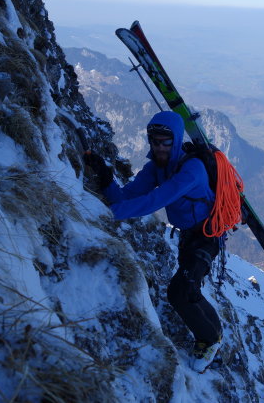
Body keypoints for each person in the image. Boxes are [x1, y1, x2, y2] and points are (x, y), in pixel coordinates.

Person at [84, 110, 222, 373]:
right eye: (154, 141)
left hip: (208, 235)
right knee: (189, 287)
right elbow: (126, 197)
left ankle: (209, 340)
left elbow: (155, 201)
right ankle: (215, 332)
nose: (159, 147)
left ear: (176, 140)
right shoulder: (156, 168)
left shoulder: (192, 170)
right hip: (189, 235)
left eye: (165, 142)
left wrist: (105, 214)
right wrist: (105, 177)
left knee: (178, 292)